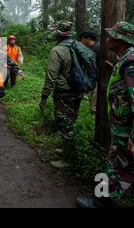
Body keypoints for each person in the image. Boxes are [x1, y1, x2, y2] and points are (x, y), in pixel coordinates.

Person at [77, 22, 134, 208]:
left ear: (122, 39)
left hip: (131, 131)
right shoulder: (128, 59)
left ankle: (101, 202)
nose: (108, 38)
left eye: (112, 36)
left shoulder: (132, 64)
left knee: (117, 165)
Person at [39, 21, 84, 170]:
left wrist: (44, 96)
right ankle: (66, 150)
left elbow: (51, 77)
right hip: (79, 90)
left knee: (65, 124)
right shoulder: (80, 47)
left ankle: (68, 160)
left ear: (58, 34)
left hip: (64, 92)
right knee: (71, 120)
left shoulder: (57, 51)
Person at [79, 31, 100, 115]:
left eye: (82, 39)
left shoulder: (89, 50)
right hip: (97, 78)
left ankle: (93, 119)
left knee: (94, 103)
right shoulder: (100, 47)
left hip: (95, 79)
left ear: (87, 38)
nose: (81, 42)